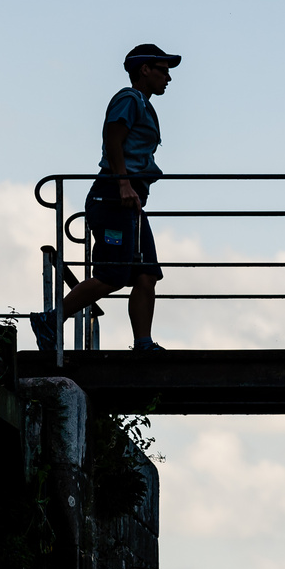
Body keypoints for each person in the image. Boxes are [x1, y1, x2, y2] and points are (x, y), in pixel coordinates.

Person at [32, 43, 180, 353]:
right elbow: (112, 140)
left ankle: (143, 344)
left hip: (131, 201)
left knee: (146, 274)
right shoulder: (128, 99)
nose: (168, 78)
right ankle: (51, 320)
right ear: (145, 70)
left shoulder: (141, 103)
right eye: (163, 71)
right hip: (113, 197)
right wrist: (124, 184)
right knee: (113, 275)